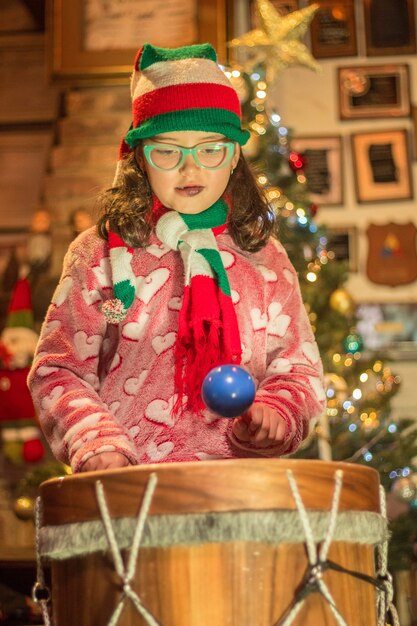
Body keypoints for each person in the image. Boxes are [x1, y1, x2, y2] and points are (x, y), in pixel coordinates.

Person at [28, 43, 325, 473]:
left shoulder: (266, 259)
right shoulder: (101, 257)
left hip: (240, 490)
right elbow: (59, 369)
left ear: (235, 154)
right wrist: (98, 444)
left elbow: (297, 368)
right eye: (167, 151)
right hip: (128, 485)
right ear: (139, 158)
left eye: (210, 149)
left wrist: (277, 412)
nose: (191, 171)